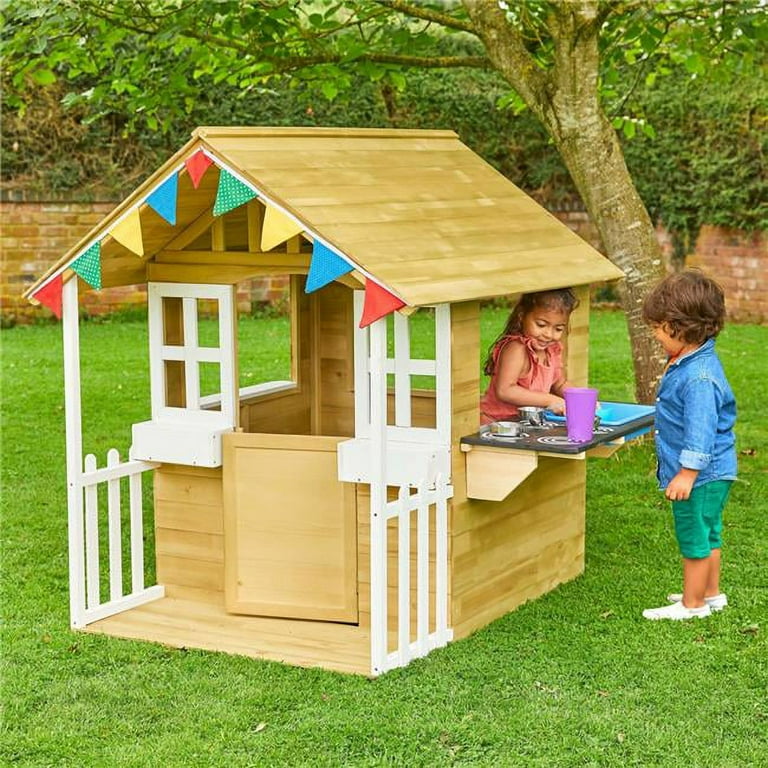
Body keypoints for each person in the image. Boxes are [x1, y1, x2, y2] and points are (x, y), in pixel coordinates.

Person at [641, 269, 737, 621]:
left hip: (700, 475)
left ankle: (691, 604)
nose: (655, 335)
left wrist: (686, 474)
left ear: (679, 326)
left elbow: (700, 431)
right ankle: (710, 594)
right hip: (717, 472)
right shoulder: (693, 361)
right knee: (710, 531)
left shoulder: (698, 377)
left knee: (694, 535)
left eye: (658, 328)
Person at [480, 288, 579, 424]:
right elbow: (505, 390)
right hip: (497, 425)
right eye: (541, 325)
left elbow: (559, 383)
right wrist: (551, 400)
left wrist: (579, 399)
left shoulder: (552, 349)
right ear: (522, 316)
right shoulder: (516, 348)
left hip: (528, 425)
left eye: (558, 329)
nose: (549, 334)